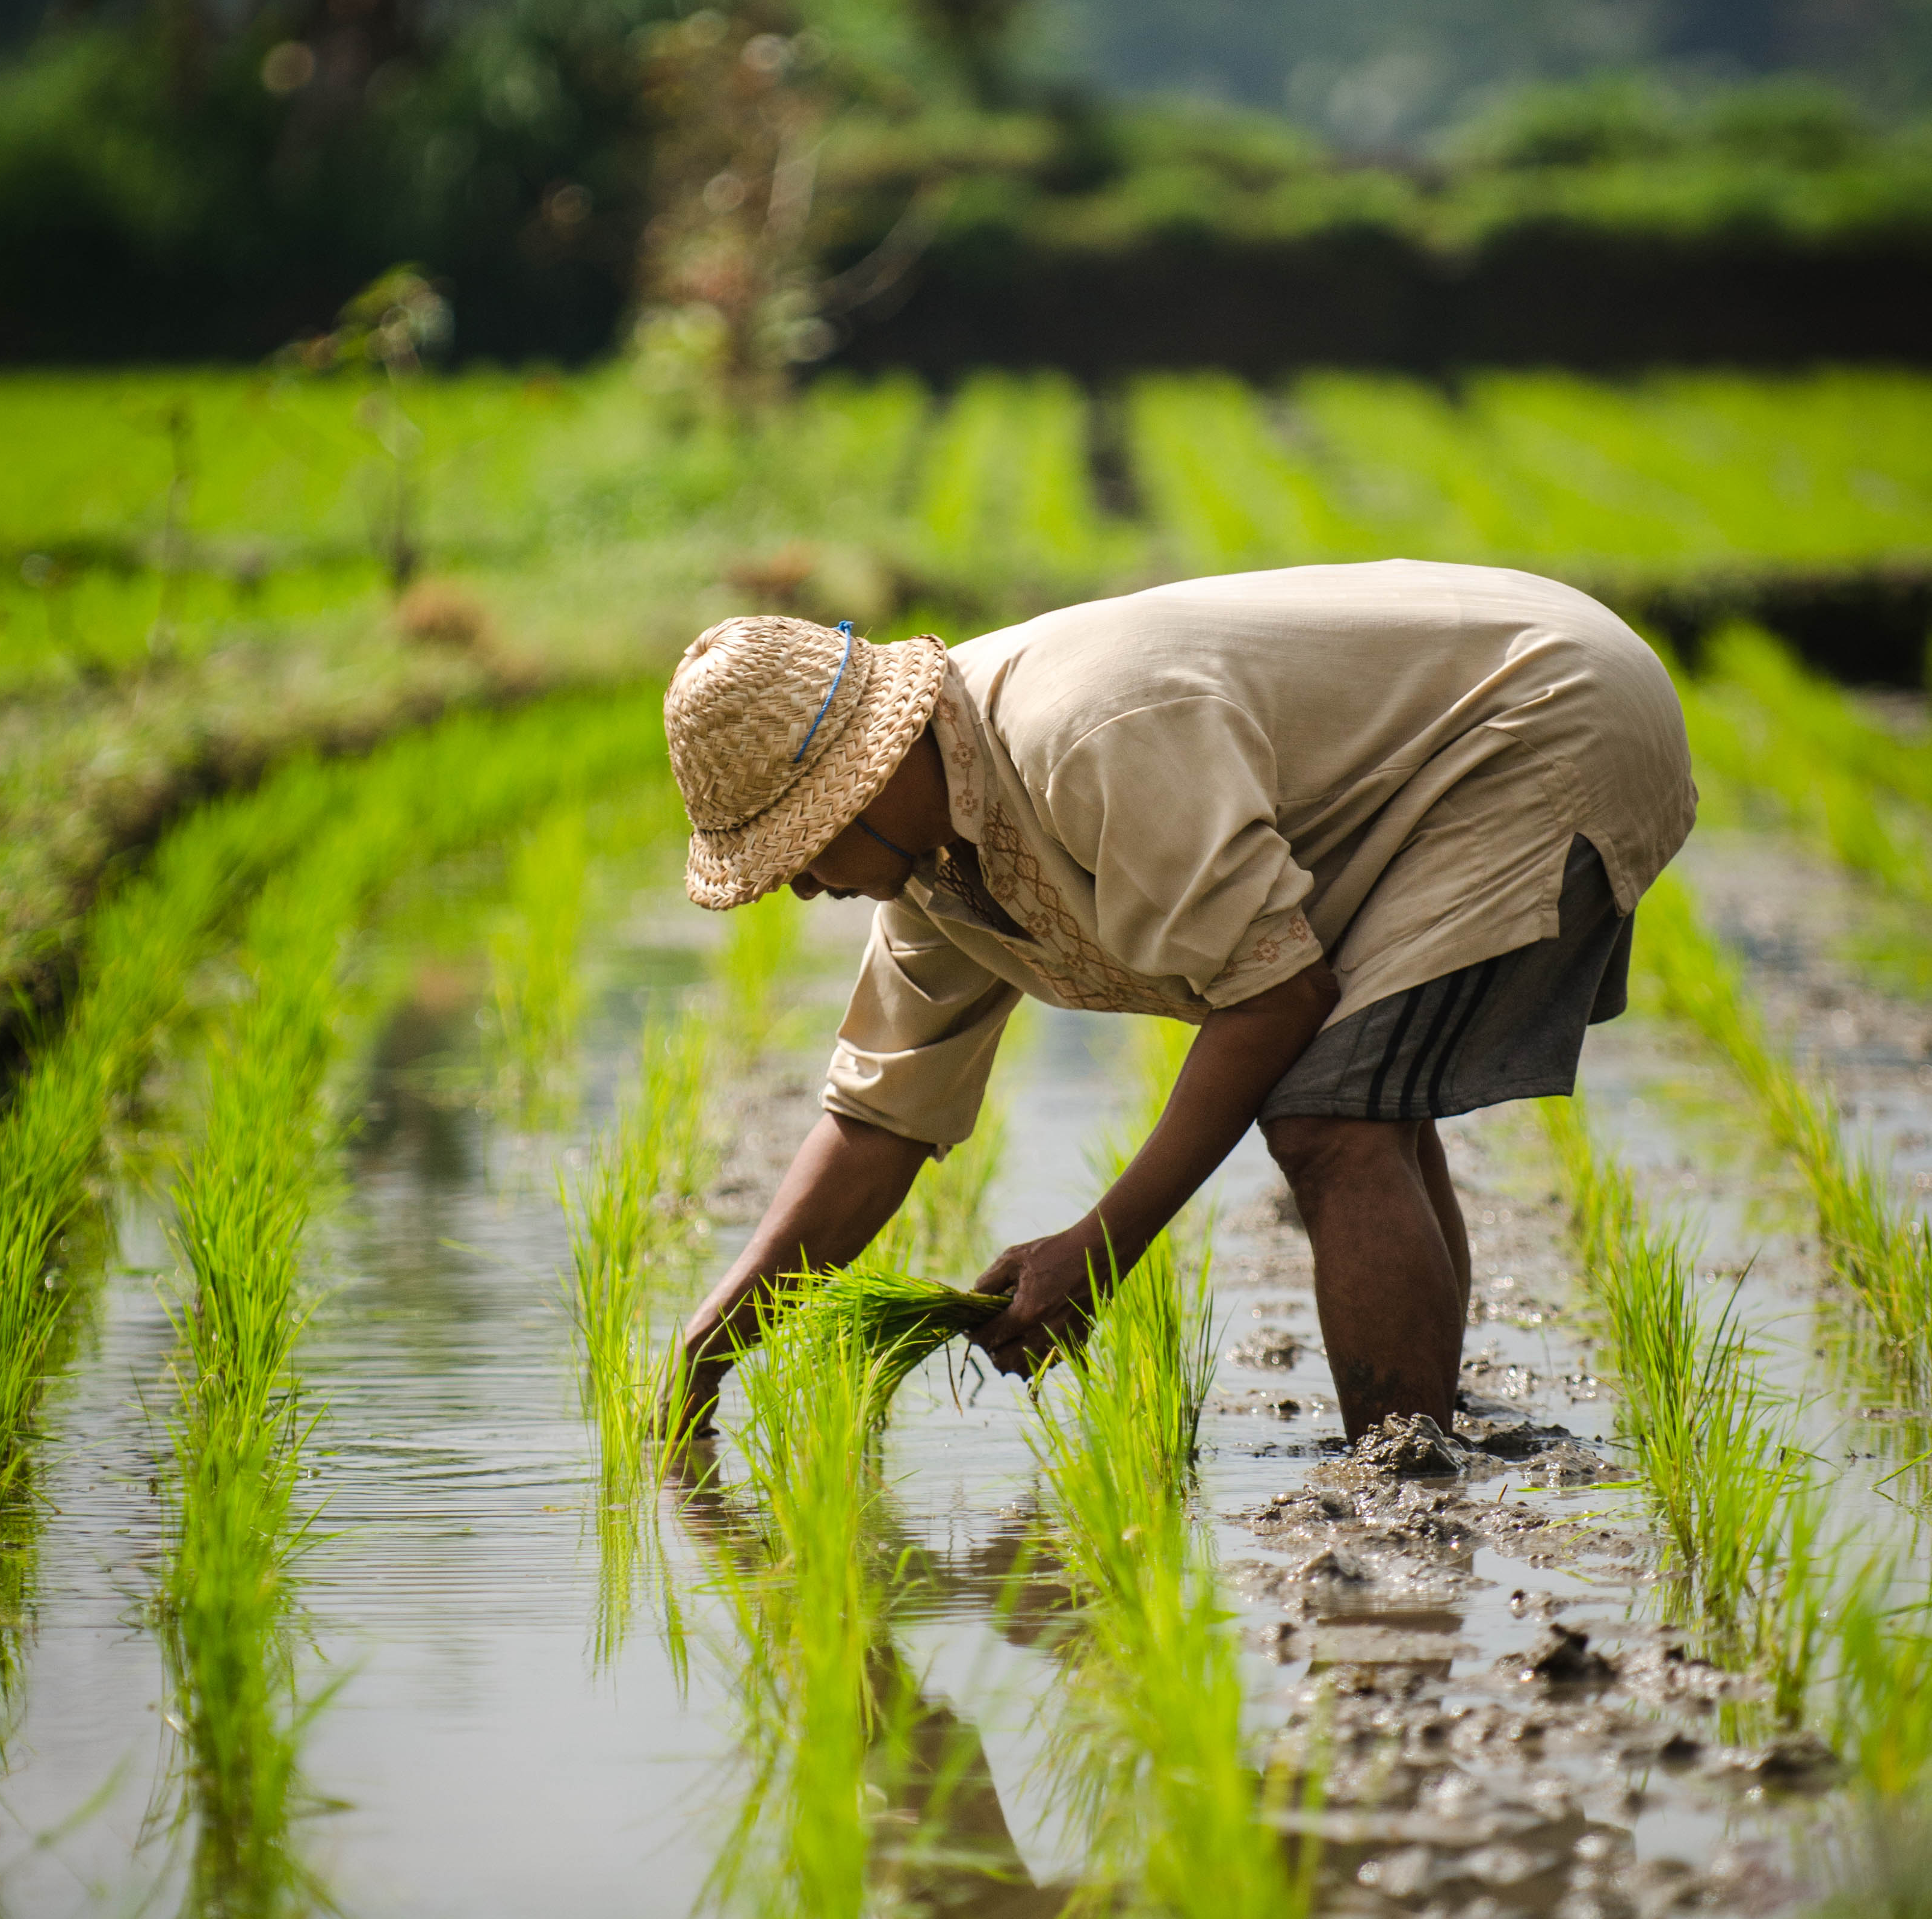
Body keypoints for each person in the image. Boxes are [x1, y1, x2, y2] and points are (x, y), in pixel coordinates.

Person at [660, 562, 1695, 1439]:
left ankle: (1405, 1482)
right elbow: (877, 1120)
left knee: (1332, 1116)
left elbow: (1278, 996)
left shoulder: (1083, 734)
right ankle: (1423, 1447)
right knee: (1360, 1104)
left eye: (801, 846)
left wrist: (1100, 1247)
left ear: (868, 780)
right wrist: (711, 1346)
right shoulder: (930, 865)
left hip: (1545, 716)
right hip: (1486, 730)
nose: (801, 884)